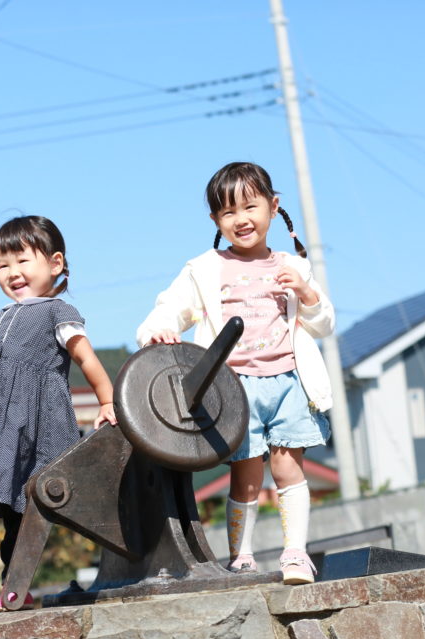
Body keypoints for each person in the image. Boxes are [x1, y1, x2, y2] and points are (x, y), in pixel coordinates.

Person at [136, 162, 335, 585]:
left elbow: (323, 323)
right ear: (215, 221)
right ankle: (240, 557)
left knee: (288, 471)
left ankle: (296, 554)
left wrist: (305, 292)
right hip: (234, 390)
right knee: (245, 476)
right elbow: (171, 306)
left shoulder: (293, 266)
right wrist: (160, 329)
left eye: (250, 207)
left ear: (273, 206)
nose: (241, 219)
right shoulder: (205, 268)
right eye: (228, 213)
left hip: (289, 383)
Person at [0, 215, 117, 614]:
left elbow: (86, 358)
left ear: (55, 263)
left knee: (24, 502)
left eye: (22, 261)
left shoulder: (57, 312)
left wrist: (107, 401)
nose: (12, 273)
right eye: (2, 264)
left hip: (30, 428)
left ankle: (16, 580)